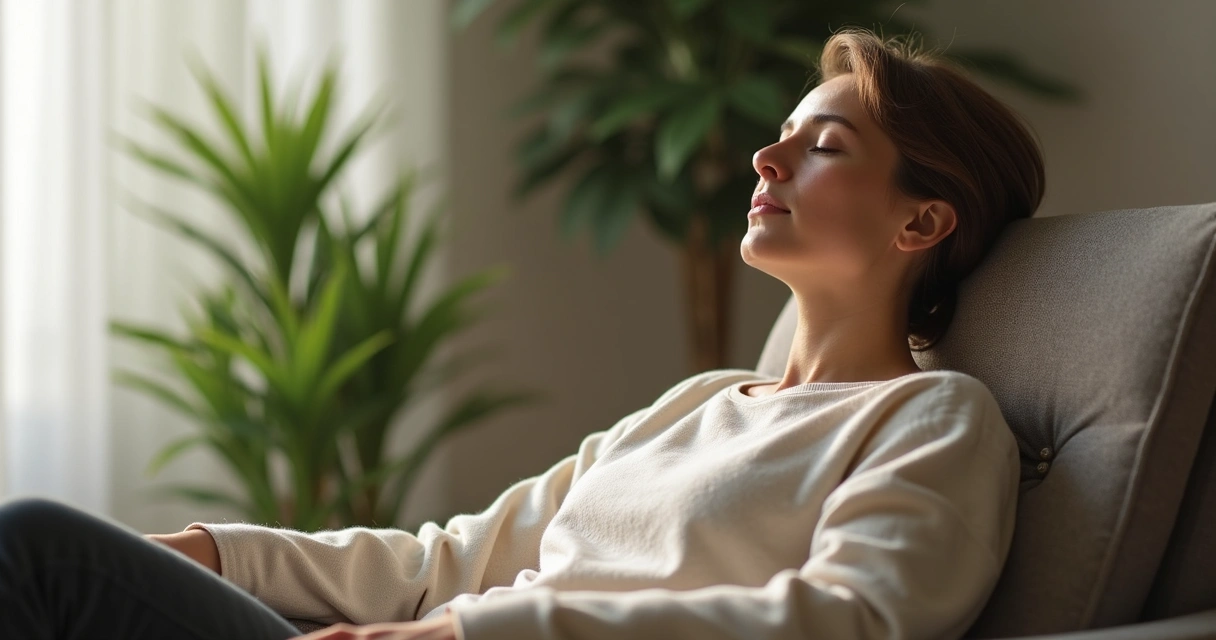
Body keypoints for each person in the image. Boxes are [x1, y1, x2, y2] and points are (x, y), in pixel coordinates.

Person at [0, 26, 1043, 640]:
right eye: (780, 138)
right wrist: (218, 553)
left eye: (824, 146)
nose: (767, 161)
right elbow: (448, 561)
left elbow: (851, 618)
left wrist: (472, 634)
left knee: (38, 550)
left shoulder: (932, 418)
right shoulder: (700, 402)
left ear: (921, 223)